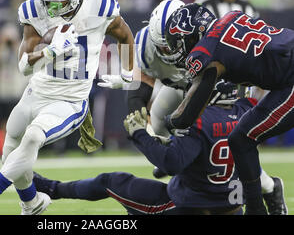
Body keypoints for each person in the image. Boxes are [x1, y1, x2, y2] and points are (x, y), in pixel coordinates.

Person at [0, 0, 135, 215]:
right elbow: (23, 66)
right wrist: (50, 52)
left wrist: (130, 73)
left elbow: (124, 34)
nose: (53, 1)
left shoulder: (100, 6)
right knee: (11, 148)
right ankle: (32, 202)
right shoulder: (34, 12)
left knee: (33, 136)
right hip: (36, 92)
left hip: (70, 100)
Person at [100, 0, 284, 211]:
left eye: (173, 42)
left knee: (225, 147)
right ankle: (181, 160)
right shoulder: (146, 47)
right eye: (164, 45)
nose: (169, 50)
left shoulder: (214, 44)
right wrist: (138, 122)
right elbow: (140, 88)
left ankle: (270, 187)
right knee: (159, 117)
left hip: (216, 90)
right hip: (183, 87)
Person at [32, 86, 269, 215]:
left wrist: (139, 134)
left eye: (200, 82)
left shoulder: (199, 118)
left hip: (193, 207)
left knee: (111, 181)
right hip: (233, 207)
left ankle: (52, 189)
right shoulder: (246, 112)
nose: (194, 86)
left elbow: (171, 163)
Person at [163, 3, 294, 215]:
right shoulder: (232, 17)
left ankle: (255, 209)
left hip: (291, 78)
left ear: (192, 35)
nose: (179, 49)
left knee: (241, 139)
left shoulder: (206, 50)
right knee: (241, 138)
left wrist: (169, 122)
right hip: (287, 69)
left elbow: (188, 115)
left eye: (178, 42)